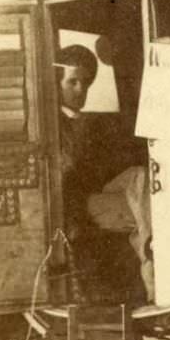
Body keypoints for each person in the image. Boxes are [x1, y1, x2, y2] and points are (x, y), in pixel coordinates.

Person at [55, 45, 154, 303]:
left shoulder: (86, 122)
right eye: (72, 82)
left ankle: (152, 253)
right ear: (56, 83)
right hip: (78, 207)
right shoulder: (55, 125)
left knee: (141, 176)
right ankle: (153, 277)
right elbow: (69, 170)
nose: (80, 90)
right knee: (142, 212)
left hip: (96, 195)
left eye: (86, 83)